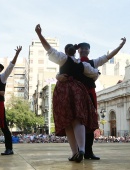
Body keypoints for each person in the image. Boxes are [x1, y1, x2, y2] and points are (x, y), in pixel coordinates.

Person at [35, 24, 99, 163]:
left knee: (68, 122)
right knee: (78, 119)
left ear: (65, 51)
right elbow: (95, 74)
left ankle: (75, 152)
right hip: (78, 91)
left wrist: (39, 35)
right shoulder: (82, 64)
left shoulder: (63, 58)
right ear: (75, 51)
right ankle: (81, 149)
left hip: (63, 91)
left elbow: (49, 49)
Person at [57, 38, 126, 160]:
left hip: (89, 94)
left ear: (89, 50)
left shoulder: (92, 62)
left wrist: (120, 47)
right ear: (78, 50)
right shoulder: (75, 62)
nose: (84, 50)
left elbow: (107, 57)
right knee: (77, 122)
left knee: (90, 123)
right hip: (76, 95)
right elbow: (62, 72)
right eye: (82, 48)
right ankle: (80, 150)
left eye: (86, 48)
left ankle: (87, 151)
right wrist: (58, 76)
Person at [0, 46, 22, 155]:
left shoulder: (2, 76)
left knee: (4, 127)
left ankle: (9, 149)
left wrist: (17, 54)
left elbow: (11, 66)